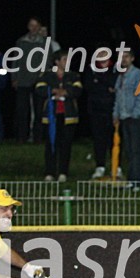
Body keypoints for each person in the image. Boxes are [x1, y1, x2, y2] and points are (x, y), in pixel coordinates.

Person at [36, 51, 82, 182]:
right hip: (51, 116)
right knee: (51, 144)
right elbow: (39, 88)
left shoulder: (73, 75)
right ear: (57, 62)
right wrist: (53, 91)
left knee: (66, 144)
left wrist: (66, 92)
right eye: (64, 59)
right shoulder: (47, 75)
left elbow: (78, 90)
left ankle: (63, 172)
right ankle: (49, 172)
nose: (67, 62)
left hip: (68, 116)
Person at [113, 49, 140, 191]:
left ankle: (137, 181)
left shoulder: (138, 75)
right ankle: (131, 179)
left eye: (126, 56)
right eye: (121, 57)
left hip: (136, 119)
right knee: (129, 150)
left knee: (136, 150)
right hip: (124, 118)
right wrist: (116, 115)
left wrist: (135, 115)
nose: (123, 59)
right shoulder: (120, 77)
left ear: (132, 58)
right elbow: (118, 98)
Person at [84, 47, 118, 178]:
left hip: (113, 109)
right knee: (99, 139)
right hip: (95, 110)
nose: (102, 56)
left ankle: (117, 166)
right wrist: (105, 86)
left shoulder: (116, 68)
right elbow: (89, 86)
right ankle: (100, 166)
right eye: (99, 53)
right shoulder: (90, 68)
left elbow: (114, 84)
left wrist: (100, 81)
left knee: (114, 139)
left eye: (104, 53)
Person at [12, 18, 46, 143]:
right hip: (23, 80)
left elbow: (48, 62)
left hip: (39, 81)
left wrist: (45, 78)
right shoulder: (21, 42)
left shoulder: (44, 42)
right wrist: (14, 78)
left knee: (39, 111)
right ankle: (21, 137)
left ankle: (38, 138)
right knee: (22, 111)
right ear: (28, 27)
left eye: (36, 26)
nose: (34, 28)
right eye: (32, 26)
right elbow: (15, 60)